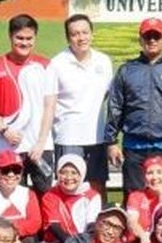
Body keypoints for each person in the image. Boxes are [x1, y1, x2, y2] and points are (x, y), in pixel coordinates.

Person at [106, 17, 162, 196]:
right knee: (134, 199)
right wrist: (111, 141)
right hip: (134, 147)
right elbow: (115, 106)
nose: (152, 41)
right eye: (148, 37)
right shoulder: (126, 71)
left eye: (157, 36)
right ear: (140, 39)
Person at [0, 13, 57, 191]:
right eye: (19, 38)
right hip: (8, 145)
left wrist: (41, 142)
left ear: (35, 37)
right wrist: (4, 130)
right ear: (10, 36)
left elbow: (50, 107)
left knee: (44, 194)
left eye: (29, 38)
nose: (24, 43)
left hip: (40, 146)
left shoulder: (46, 65)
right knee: (11, 193)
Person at [48, 14, 114, 195]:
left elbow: (108, 96)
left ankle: (97, 224)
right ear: (68, 38)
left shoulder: (103, 61)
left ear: (92, 34)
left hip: (97, 137)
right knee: (70, 188)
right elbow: (49, 103)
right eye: (75, 34)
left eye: (85, 32)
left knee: (97, 188)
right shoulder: (57, 63)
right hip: (68, 137)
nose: (81, 37)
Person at [39, 154, 102, 243]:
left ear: (82, 174)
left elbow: (91, 227)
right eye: (64, 172)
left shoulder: (93, 196)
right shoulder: (50, 195)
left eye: (74, 173)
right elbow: (55, 227)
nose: (69, 177)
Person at [124, 155, 162, 243]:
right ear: (144, 178)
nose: (154, 177)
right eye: (150, 173)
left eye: (159, 172)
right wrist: (143, 236)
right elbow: (132, 222)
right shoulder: (135, 196)